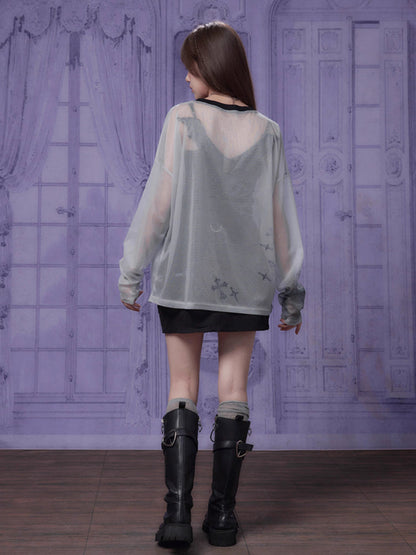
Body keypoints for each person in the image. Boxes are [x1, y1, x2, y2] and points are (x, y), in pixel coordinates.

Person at [118, 21, 305, 548]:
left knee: (182, 388)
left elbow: (157, 204)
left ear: (211, 66)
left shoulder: (181, 120)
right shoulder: (268, 131)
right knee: (234, 391)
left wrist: (131, 271)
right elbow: (282, 220)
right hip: (247, 283)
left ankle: (177, 515)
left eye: (191, 66)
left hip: (185, 276)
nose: (185, 76)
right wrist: (291, 293)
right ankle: (222, 517)